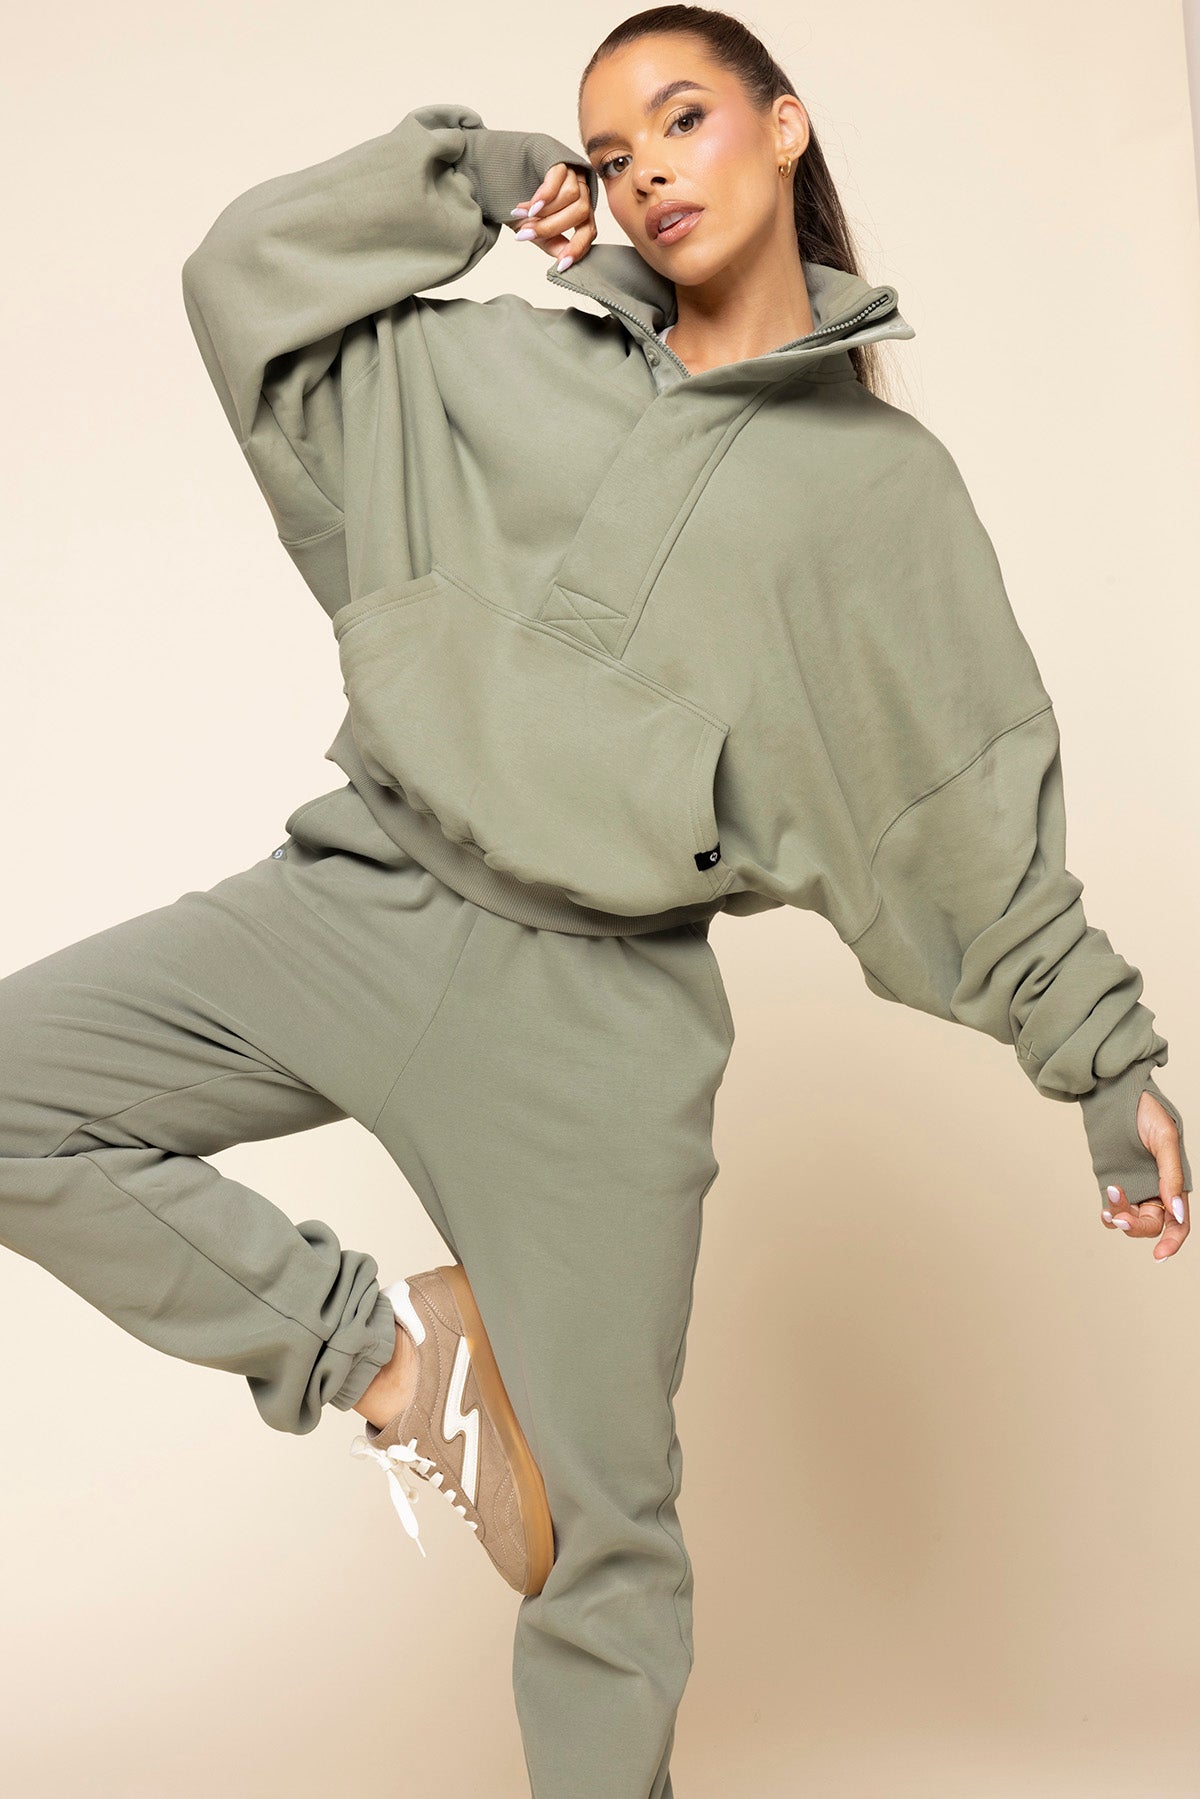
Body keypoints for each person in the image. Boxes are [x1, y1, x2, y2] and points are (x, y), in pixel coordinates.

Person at [2, 6, 1190, 1796]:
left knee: (605, 1548)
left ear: (784, 127)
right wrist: (474, 181)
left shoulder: (881, 496)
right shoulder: (497, 370)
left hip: (599, 1031)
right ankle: (388, 1358)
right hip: (355, 903)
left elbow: (961, 818)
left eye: (683, 118)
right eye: (612, 148)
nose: (646, 170)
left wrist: (1108, 1070)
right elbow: (243, 280)